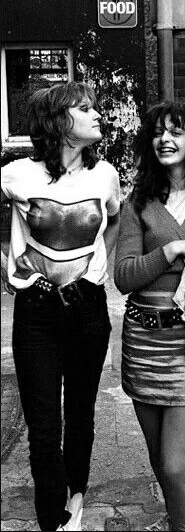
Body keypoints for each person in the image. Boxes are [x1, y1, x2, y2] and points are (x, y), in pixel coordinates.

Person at [0, 82, 120, 531]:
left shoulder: (104, 174)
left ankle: (76, 503)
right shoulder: (16, 174)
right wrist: (9, 267)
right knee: (43, 428)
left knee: (81, 416)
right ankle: (52, 520)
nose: (97, 115)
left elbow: (116, 216)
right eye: (85, 109)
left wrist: (97, 267)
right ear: (58, 122)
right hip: (36, 312)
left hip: (88, 308)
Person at [114, 100, 185, 531]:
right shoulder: (139, 202)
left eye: (176, 132)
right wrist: (170, 250)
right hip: (144, 341)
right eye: (159, 132)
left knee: (175, 463)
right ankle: (170, 518)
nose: (165, 139)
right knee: (157, 459)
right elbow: (124, 276)